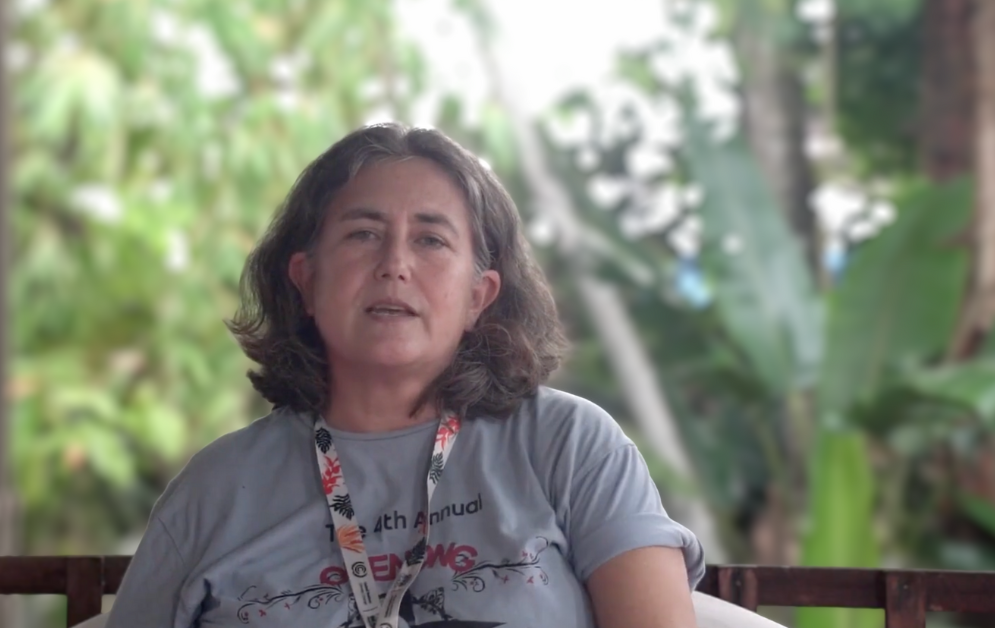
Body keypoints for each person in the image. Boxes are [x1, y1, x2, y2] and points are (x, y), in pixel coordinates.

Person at [105, 123, 705, 628]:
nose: (394, 265)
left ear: (479, 296)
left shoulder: (568, 446)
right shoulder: (213, 490)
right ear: (305, 280)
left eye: (431, 240)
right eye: (363, 234)